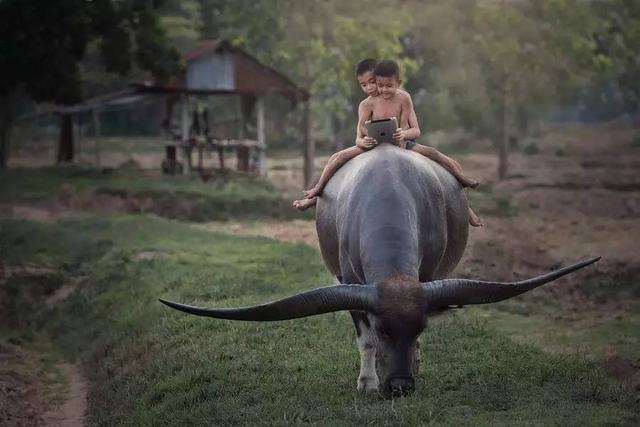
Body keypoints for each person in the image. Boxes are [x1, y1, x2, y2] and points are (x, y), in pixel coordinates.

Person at [293, 59, 482, 227]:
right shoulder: (366, 104)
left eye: (373, 82)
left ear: (391, 82)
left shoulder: (403, 98)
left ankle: (465, 200)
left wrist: (403, 134)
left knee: (437, 155)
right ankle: (316, 193)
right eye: (364, 85)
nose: (371, 88)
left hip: (402, 144)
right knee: (337, 157)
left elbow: (413, 129)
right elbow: (358, 135)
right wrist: (364, 141)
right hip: (372, 146)